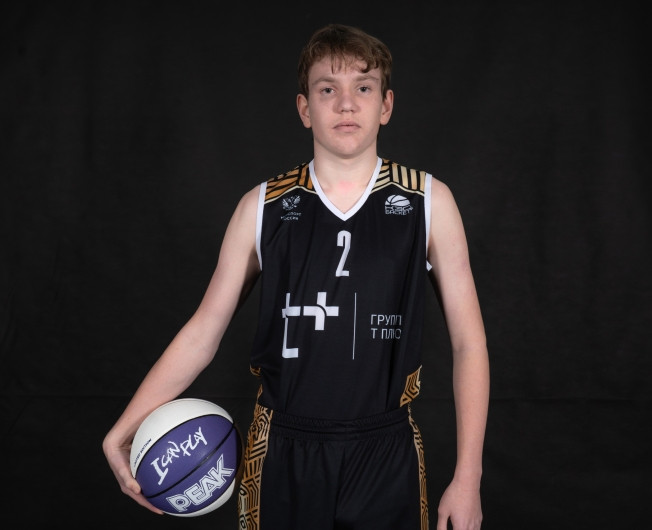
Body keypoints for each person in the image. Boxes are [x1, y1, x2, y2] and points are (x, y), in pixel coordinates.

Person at [103, 23, 489, 530]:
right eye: (328, 89)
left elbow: (468, 343)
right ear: (305, 108)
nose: (346, 104)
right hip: (281, 448)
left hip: (386, 449)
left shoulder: (428, 201)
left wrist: (468, 477)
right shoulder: (261, 206)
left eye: (363, 88)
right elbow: (203, 333)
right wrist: (123, 429)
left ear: (386, 105)